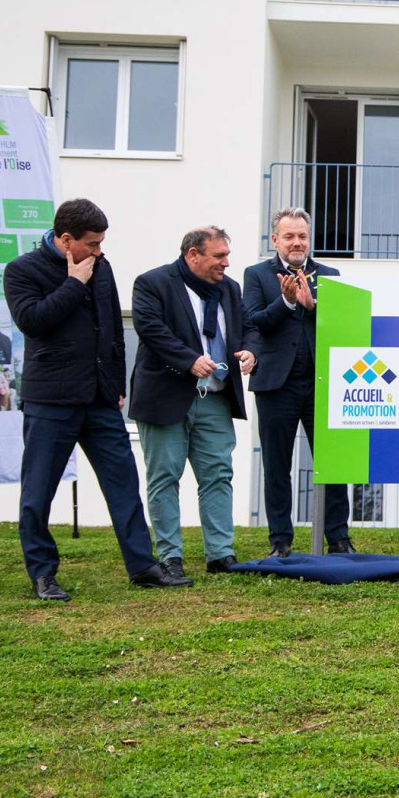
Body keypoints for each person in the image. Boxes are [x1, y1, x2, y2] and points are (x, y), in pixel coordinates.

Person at [3, 198, 189, 601]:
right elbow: (33, 322)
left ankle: (143, 567)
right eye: (91, 243)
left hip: (100, 399)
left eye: (102, 243)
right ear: (66, 239)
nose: (99, 251)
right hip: (50, 401)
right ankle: (43, 575)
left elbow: (111, 330)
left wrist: (117, 384)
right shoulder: (22, 270)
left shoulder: (101, 268)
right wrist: (73, 283)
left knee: (124, 483)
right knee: (38, 493)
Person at [131, 227, 259, 578]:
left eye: (226, 255)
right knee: (164, 476)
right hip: (166, 398)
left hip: (215, 399)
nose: (226, 263)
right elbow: (150, 328)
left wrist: (250, 350)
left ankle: (221, 555)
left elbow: (249, 327)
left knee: (218, 475)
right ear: (193, 255)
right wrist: (188, 359)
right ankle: (170, 557)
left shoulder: (230, 289)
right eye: (218, 256)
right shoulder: (153, 283)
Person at [243, 208, 354, 557]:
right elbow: (253, 322)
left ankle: (337, 538)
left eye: (302, 236)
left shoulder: (330, 274)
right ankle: (281, 541)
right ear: (275, 239)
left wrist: (315, 305)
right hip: (277, 384)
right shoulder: (257, 274)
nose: (296, 243)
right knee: (277, 465)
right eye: (289, 236)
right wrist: (288, 302)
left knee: (334, 463)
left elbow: (346, 327)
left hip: (324, 383)